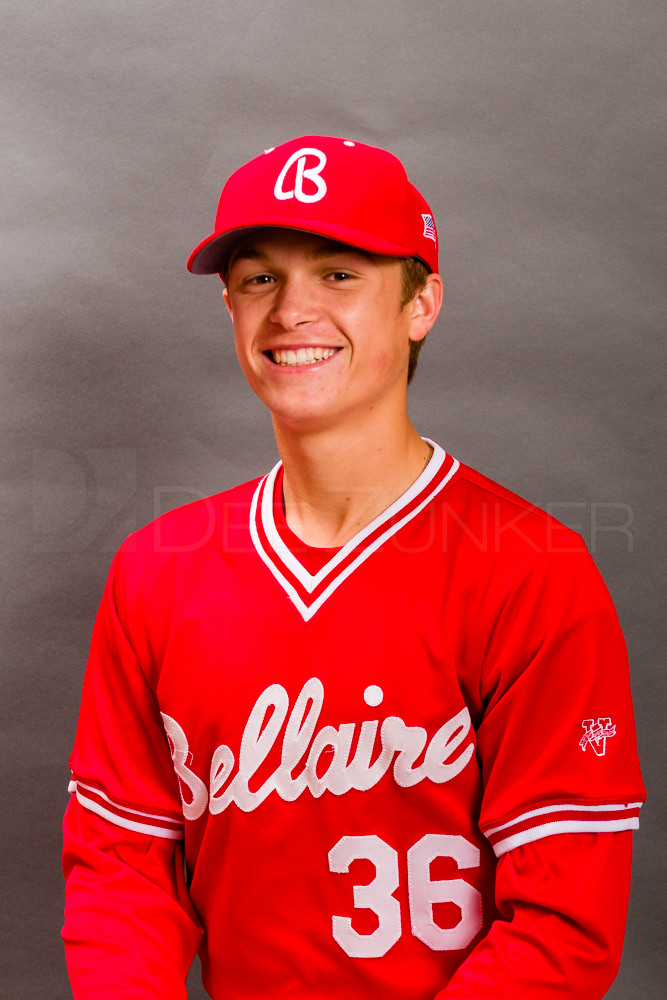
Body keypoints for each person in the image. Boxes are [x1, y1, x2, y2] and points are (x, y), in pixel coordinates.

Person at [62, 135, 645, 1000]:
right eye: (260, 278)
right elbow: (123, 871)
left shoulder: (532, 570)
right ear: (228, 307)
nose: (292, 310)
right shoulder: (158, 567)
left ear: (421, 303)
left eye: (339, 274)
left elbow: (560, 930)